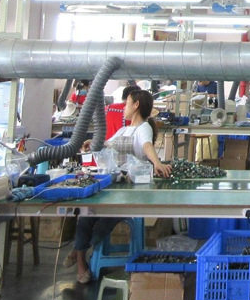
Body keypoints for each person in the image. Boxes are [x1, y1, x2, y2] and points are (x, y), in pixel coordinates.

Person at [67, 89, 172, 284]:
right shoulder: (124, 130)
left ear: (136, 105)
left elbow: (147, 145)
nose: (124, 108)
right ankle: (80, 258)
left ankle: (79, 251)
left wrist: (157, 162)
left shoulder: (144, 128)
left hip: (132, 192)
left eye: (127, 104)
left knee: (103, 221)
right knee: (86, 215)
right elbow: (108, 144)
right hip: (115, 186)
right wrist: (92, 143)